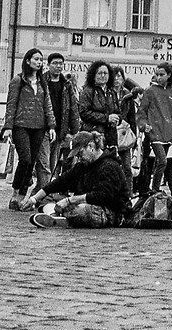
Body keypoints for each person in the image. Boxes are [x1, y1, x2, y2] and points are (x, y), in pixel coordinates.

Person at [26, 130, 136, 228]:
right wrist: (34, 199)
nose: (78, 158)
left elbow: (102, 196)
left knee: (82, 210)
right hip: (86, 204)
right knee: (47, 199)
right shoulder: (82, 166)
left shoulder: (110, 166)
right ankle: (59, 217)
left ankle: (61, 217)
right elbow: (60, 182)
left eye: (80, 153)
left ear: (91, 146)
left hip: (110, 211)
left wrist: (69, 200)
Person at [134, 63, 172, 198]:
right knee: (163, 161)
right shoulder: (150, 91)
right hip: (154, 133)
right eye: (157, 74)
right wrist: (143, 125)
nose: (158, 77)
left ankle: (155, 190)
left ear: (169, 75)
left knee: (163, 163)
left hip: (168, 135)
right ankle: (155, 189)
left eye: (161, 75)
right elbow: (141, 112)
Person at [8, 49, 58, 196]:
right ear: (28, 61)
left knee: (32, 162)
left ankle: (23, 195)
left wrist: (51, 126)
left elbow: (47, 105)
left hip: (39, 127)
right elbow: (11, 104)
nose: (39, 62)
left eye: (40, 60)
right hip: (21, 125)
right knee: (25, 159)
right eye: (36, 59)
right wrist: (8, 127)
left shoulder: (43, 82)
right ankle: (15, 192)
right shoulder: (18, 80)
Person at [41, 53, 79, 178]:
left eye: (61, 63)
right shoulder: (42, 81)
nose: (58, 66)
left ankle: (44, 190)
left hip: (60, 130)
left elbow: (73, 108)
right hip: (43, 127)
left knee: (54, 163)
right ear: (48, 65)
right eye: (55, 63)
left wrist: (74, 131)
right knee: (44, 162)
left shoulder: (66, 85)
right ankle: (43, 190)